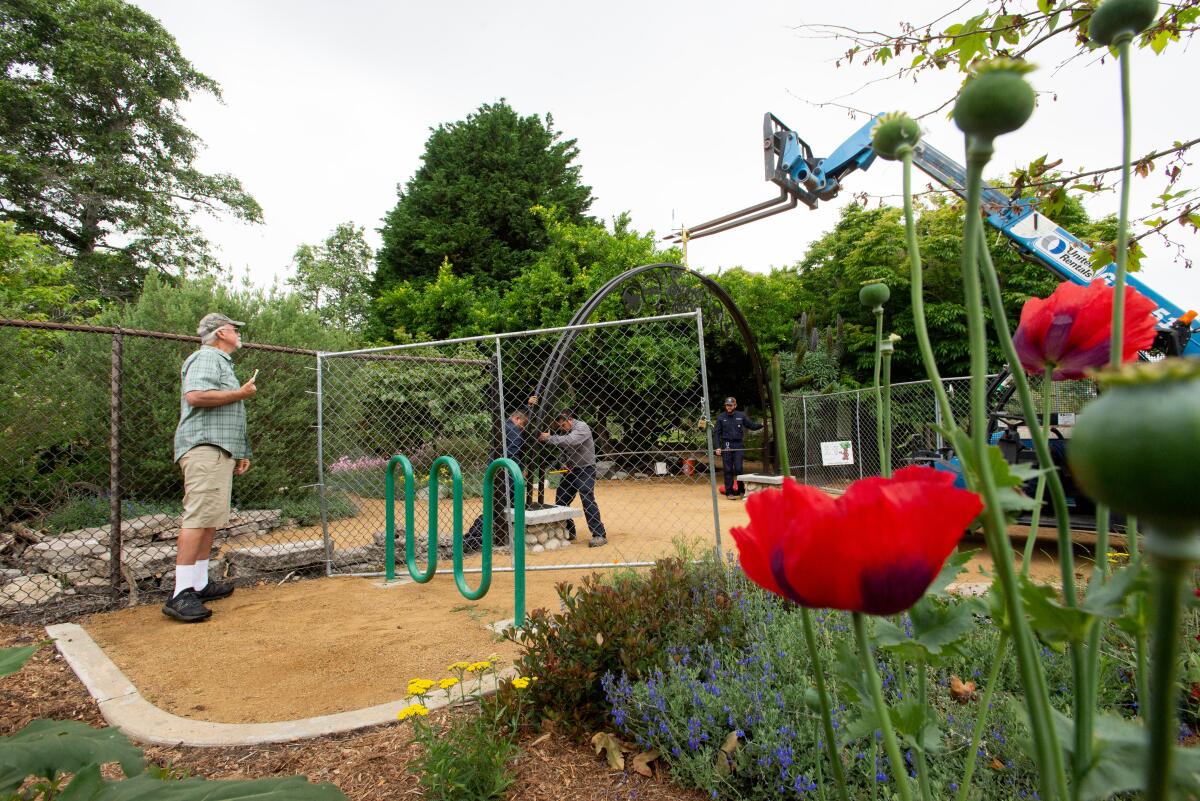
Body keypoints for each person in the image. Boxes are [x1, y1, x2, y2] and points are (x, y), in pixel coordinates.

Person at [165, 313, 256, 623]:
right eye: (234, 329)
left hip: (219, 450)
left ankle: (199, 583)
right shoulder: (206, 357)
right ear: (220, 333)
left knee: (210, 518)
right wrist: (240, 393)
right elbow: (196, 396)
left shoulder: (220, 361)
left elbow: (228, 410)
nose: (238, 333)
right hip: (204, 448)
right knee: (197, 517)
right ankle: (180, 593)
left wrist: (240, 450)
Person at [538, 410, 608, 548]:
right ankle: (569, 531)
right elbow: (564, 449)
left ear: (570, 419)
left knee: (587, 498)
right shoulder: (565, 431)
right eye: (560, 426)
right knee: (561, 500)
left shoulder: (582, 427)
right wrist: (564, 462)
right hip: (571, 470)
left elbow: (571, 441)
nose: (562, 428)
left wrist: (549, 438)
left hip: (585, 469)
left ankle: (599, 534)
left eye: (563, 425)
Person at [714, 396, 762, 499]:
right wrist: (717, 447)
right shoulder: (721, 417)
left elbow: (752, 426)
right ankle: (729, 492)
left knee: (739, 469)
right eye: (727, 405)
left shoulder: (741, 415)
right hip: (726, 445)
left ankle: (741, 490)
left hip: (738, 445)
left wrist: (762, 425)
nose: (729, 407)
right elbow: (717, 434)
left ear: (735, 405)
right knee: (728, 469)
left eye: (731, 405)